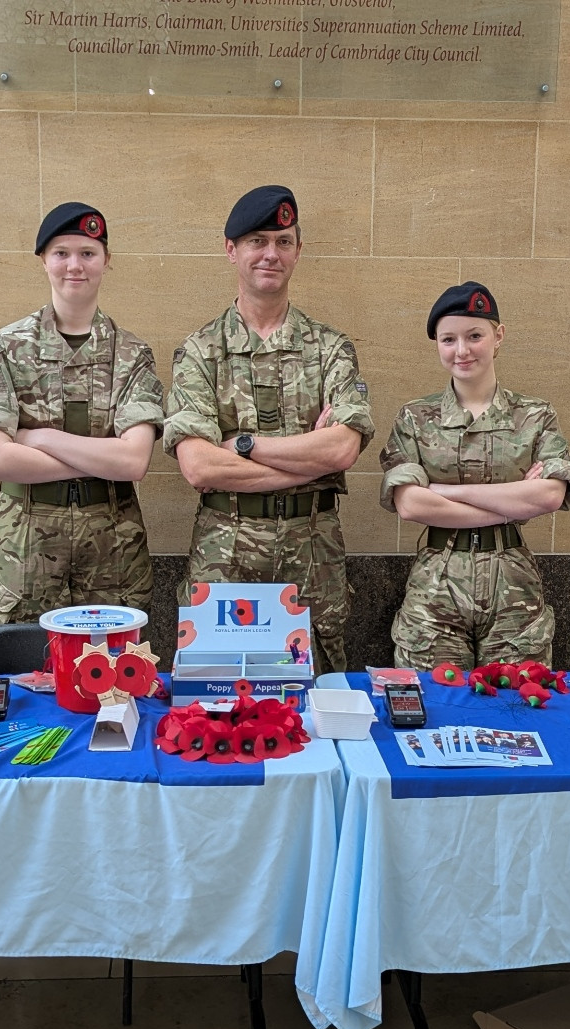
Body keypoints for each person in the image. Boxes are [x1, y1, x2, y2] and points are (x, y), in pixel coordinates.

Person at [163, 186, 372, 672]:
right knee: (216, 701)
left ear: (298, 251)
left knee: (316, 697)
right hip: (224, 554)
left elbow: (342, 449)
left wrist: (243, 445)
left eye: (283, 241)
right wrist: (306, 463)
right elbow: (197, 466)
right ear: (231, 249)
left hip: (312, 553)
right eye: (258, 241)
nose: (270, 254)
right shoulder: (200, 352)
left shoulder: (331, 349)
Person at [0, 202, 162, 624]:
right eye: (61, 253)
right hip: (26, 549)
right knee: (23, 679)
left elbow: (133, 461)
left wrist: (40, 438)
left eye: (88, 253)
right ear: (43, 261)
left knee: (113, 680)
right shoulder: (8, 348)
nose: (75, 265)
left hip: (112, 551)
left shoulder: (131, 355)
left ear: (107, 261)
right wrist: (98, 457)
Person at [379, 282, 570, 668]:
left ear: (498, 335)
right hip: (435, 591)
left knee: (517, 708)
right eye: (448, 339)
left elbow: (549, 496)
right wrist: (515, 500)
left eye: (475, 335)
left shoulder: (535, 416)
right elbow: (409, 504)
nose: (462, 350)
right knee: (435, 708)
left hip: (514, 590)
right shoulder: (416, 418)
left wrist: (442, 490)